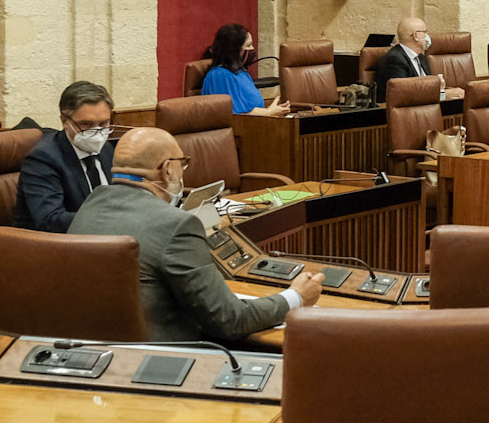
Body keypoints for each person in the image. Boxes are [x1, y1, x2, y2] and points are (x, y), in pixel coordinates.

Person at [68, 128, 321, 342]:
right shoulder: (178, 225)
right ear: (167, 170)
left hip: (91, 355)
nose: (183, 171)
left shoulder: (92, 204)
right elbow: (230, 319)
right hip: (162, 362)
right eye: (182, 163)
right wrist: (295, 297)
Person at [15, 81, 118, 234]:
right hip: (55, 247)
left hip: (105, 241)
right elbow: (50, 220)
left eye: (103, 124)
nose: (96, 133)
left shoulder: (106, 148)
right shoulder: (43, 159)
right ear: (64, 121)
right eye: (86, 124)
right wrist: (111, 221)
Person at [200, 23, 289, 116]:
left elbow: (250, 107)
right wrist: (269, 112)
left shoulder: (241, 72)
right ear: (235, 50)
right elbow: (234, 113)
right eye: (248, 45)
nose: (252, 49)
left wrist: (272, 110)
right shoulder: (219, 75)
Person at [370, 17, 463, 102]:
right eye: (425, 32)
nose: (427, 36)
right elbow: (404, 95)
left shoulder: (421, 58)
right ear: (416, 36)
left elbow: (426, 88)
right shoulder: (394, 60)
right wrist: (442, 96)